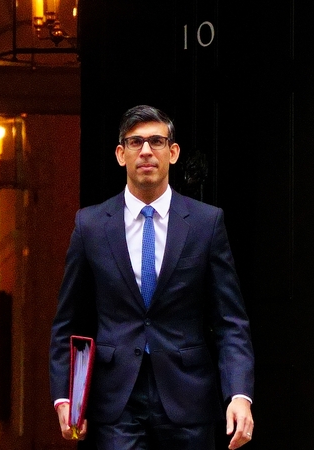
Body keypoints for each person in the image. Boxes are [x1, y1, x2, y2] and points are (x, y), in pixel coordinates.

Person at [49, 105, 255, 450]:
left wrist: (239, 394)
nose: (146, 151)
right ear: (121, 154)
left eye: (157, 141)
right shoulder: (91, 225)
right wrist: (65, 397)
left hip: (188, 397)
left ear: (173, 153)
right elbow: (70, 320)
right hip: (114, 401)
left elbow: (230, 320)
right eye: (135, 142)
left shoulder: (206, 224)